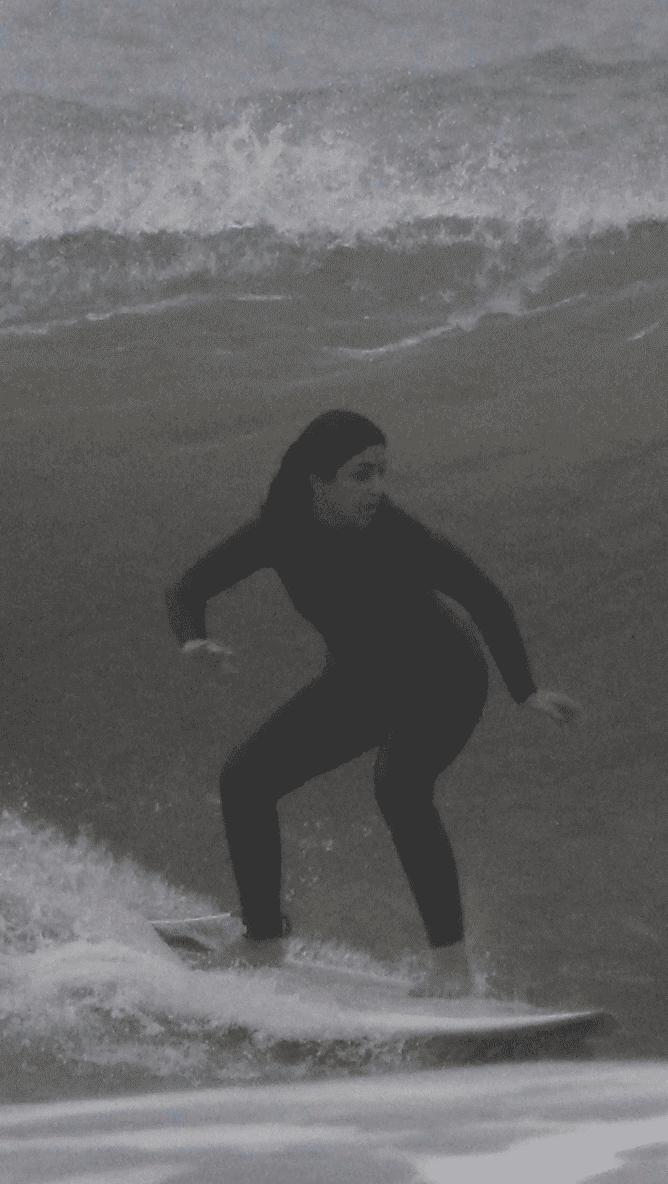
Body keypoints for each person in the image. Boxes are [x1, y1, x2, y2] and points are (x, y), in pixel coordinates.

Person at [166, 409, 575, 996]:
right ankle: (263, 938)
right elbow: (187, 587)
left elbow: (481, 595)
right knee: (244, 781)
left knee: (400, 786)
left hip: (444, 676)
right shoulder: (278, 530)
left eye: (382, 472)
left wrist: (525, 689)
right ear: (318, 480)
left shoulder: (396, 531)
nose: (377, 488)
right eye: (361, 475)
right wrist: (193, 639)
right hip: (361, 679)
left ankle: (451, 969)